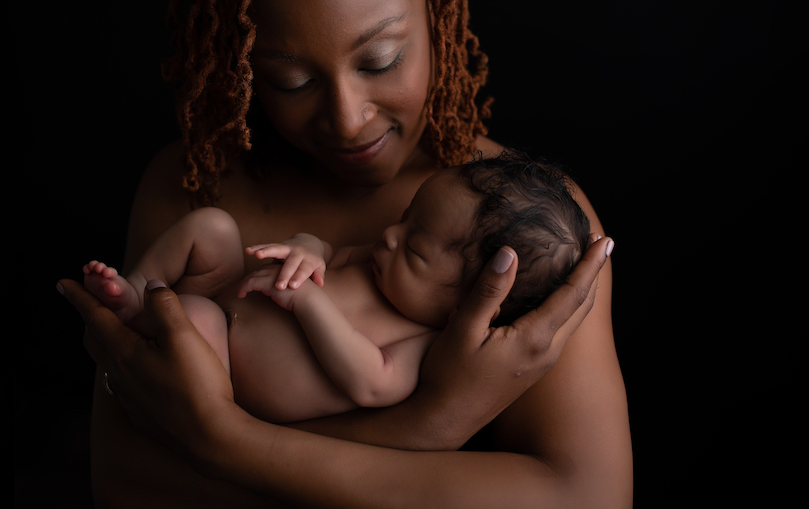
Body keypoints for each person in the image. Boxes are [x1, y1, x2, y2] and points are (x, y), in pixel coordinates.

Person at [60, 0, 632, 506]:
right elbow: (126, 481)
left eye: (380, 60)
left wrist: (221, 441)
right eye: (290, 81)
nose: (348, 120)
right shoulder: (193, 182)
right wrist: (429, 427)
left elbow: (590, 497)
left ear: (437, 13)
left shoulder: (524, 235)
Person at [83, 153, 591, 423]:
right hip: (224, 291)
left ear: (464, 305)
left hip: (224, 368)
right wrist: (306, 249)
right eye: (406, 218)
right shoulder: (378, 262)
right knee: (212, 227)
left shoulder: (424, 343)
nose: (390, 237)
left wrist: (308, 303)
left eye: (413, 248)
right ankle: (134, 289)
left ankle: (138, 315)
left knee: (194, 318)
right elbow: (325, 250)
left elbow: (371, 382)